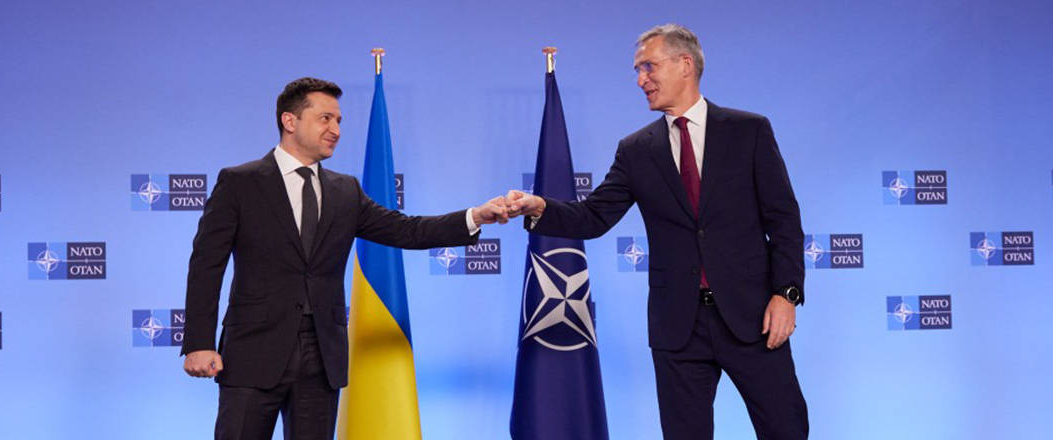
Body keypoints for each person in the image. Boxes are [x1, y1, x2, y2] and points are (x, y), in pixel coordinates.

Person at [505, 24, 810, 439]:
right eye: (637, 70)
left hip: (754, 317)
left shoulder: (749, 131)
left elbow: (785, 221)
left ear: (686, 65)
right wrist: (541, 208)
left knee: (786, 430)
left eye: (648, 67)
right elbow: (594, 217)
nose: (640, 80)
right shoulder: (636, 150)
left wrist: (786, 294)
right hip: (678, 327)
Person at [181, 77, 509, 440]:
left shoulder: (346, 190)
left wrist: (474, 217)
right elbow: (206, 266)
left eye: (339, 121)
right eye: (325, 119)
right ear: (290, 121)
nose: (335, 129)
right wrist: (199, 342)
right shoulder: (240, 182)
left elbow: (407, 230)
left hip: (322, 357)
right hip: (253, 352)